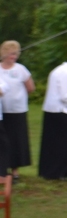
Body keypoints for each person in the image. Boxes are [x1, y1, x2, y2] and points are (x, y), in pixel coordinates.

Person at [0, 41, 34, 180]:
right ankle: (3, 168)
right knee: (4, 141)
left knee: (17, 140)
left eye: (15, 53)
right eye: (10, 53)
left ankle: (15, 171)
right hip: (2, 112)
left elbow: (30, 88)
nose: (12, 56)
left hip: (18, 110)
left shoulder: (21, 69)